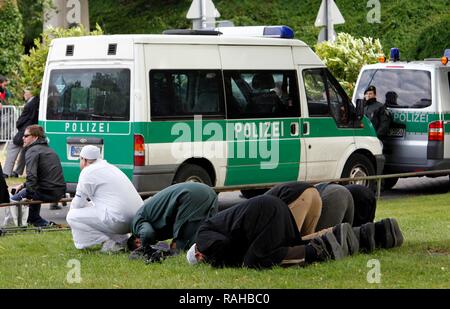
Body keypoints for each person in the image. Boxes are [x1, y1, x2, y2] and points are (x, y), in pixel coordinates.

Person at [187, 195, 403, 268]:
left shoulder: (202, 238)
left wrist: (218, 262)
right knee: (289, 247)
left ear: (198, 254)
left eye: (203, 259)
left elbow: (222, 247)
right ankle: (371, 234)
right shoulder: (213, 228)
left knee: (256, 261)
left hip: (265, 214)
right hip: (272, 210)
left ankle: (322, 251)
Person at [66, 145, 143, 252]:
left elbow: (77, 204)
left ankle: (109, 243)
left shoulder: (87, 172)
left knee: (72, 216)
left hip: (119, 221)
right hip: (137, 220)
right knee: (99, 209)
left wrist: (72, 223)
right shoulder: (111, 167)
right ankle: (122, 240)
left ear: (84, 160)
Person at [127, 182, 218, 258]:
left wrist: (145, 249)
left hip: (189, 195)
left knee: (181, 246)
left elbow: (147, 233)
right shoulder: (145, 216)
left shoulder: (136, 224)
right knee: (206, 233)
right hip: (208, 191)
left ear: (137, 241)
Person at [10, 125, 66, 227]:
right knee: (27, 193)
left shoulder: (32, 151)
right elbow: (42, 177)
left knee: (13, 200)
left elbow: (32, 176)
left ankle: (18, 224)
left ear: (35, 137)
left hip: (46, 192)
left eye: (26, 136)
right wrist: (23, 185)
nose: (23, 138)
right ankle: (45, 224)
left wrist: (29, 196)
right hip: (57, 191)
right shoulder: (48, 149)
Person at [3, 87, 40, 179]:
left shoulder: (29, 104)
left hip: (25, 130)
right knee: (24, 151)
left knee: (13, 148)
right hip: (33, 130)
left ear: (29, 93)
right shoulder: (37, 101)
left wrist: (18, 124)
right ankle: (17, 172)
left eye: (25, 93)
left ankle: (6, 172)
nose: (23, 95)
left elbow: (22, 120)